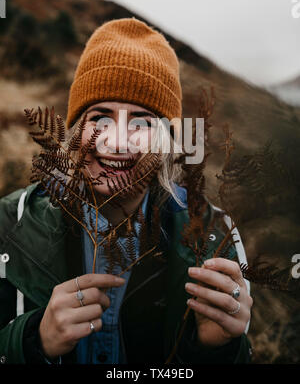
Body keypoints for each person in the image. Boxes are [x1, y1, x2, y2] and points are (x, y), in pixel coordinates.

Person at [0, 18, 252, 364]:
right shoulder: (9, 226)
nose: (117, 142)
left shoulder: (214, 236)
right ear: (76, 130)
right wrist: (31, 342)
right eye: (101, 119)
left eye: (142, 123)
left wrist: (219, 349)